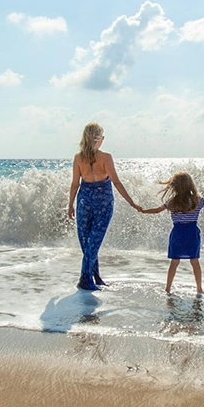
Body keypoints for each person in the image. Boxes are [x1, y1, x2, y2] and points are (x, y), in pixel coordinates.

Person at [67, 123, 140, 291]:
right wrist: (131, 202)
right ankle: (85, 279)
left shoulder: (79, 158)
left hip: (84, 201)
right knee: (92, 242)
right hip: (103, 202)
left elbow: (74, 184)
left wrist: (70, 204)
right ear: (99, 139)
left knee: (89, 242)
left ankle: (95, 276)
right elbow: (116, 182)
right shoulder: (105, 157)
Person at [140, 171, 204, 294]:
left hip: (177, 234)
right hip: (192, 234)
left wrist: (142, 210)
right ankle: (199, 288)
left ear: (174, 186)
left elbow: (156, 211)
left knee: (174, 262)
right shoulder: (197, 200)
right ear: (191, 185)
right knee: (194, 261)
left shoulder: (172, 202)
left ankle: (168, 288)